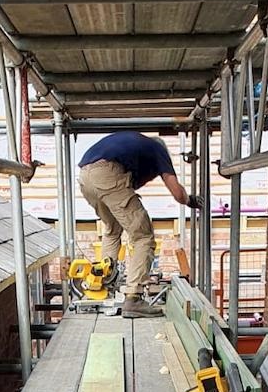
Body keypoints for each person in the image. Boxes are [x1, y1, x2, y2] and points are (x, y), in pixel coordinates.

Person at [78, 132, 203, 318]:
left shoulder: (135, 146)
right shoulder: (159, 150)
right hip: (107, 174)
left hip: (84, 177)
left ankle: (102, 284)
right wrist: (190, 200)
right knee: (143, 236)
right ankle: (133, 298)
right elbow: (177, 193)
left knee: (112, 230)